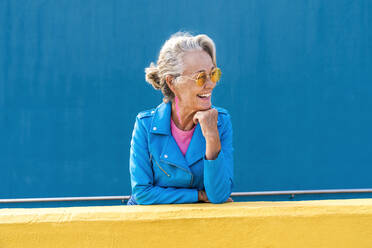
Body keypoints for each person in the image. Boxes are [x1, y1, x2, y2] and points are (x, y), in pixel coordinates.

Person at [127, 32, 234, 205]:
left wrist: (212, 137)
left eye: (213, 74)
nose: (210, 84)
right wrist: (198, 196)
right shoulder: (145, 125)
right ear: (171, 82)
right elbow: (142, 193)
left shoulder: (220, 121)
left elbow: (219, 196)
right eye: (200, 77)